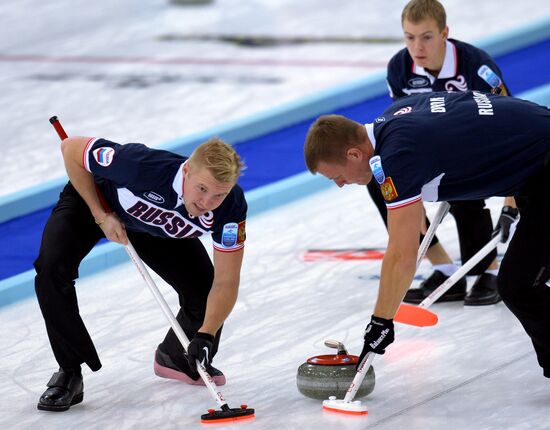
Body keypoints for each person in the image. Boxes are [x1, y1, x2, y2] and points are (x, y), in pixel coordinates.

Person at [303, 90, 550, 377]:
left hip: (542, 168)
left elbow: (402, 255)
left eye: (338, 177)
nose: (341, 184)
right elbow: (462, 119)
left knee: (519, 285)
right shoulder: (398, 114)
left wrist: (381, 321)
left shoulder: (398, 155)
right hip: (536, 163)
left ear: (354, 154)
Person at [34, 134, 247, 411]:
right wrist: (100, 215)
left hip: (153, 226)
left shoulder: (231, 208)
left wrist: (205, 335)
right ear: (186, 171)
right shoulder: (140, 166)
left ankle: (176, 356)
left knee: (204, 292)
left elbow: (226, 282)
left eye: (219, 194)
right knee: (51, 269)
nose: (208, 202)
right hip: (97, 201)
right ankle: (69, 371)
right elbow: (71, 148)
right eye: (202, 189)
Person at [366, 0, 515, 306]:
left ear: (445, 32)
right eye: (409, 37)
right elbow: (400, 123)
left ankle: (485, 270)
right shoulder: (399, 68)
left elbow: (509, 121)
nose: (417, 47)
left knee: (460, 185)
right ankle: (444, 268)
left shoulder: (478, 67)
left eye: (426, 37)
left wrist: (512, 201)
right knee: (378, 179)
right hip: (426, 150)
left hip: (480, 149)